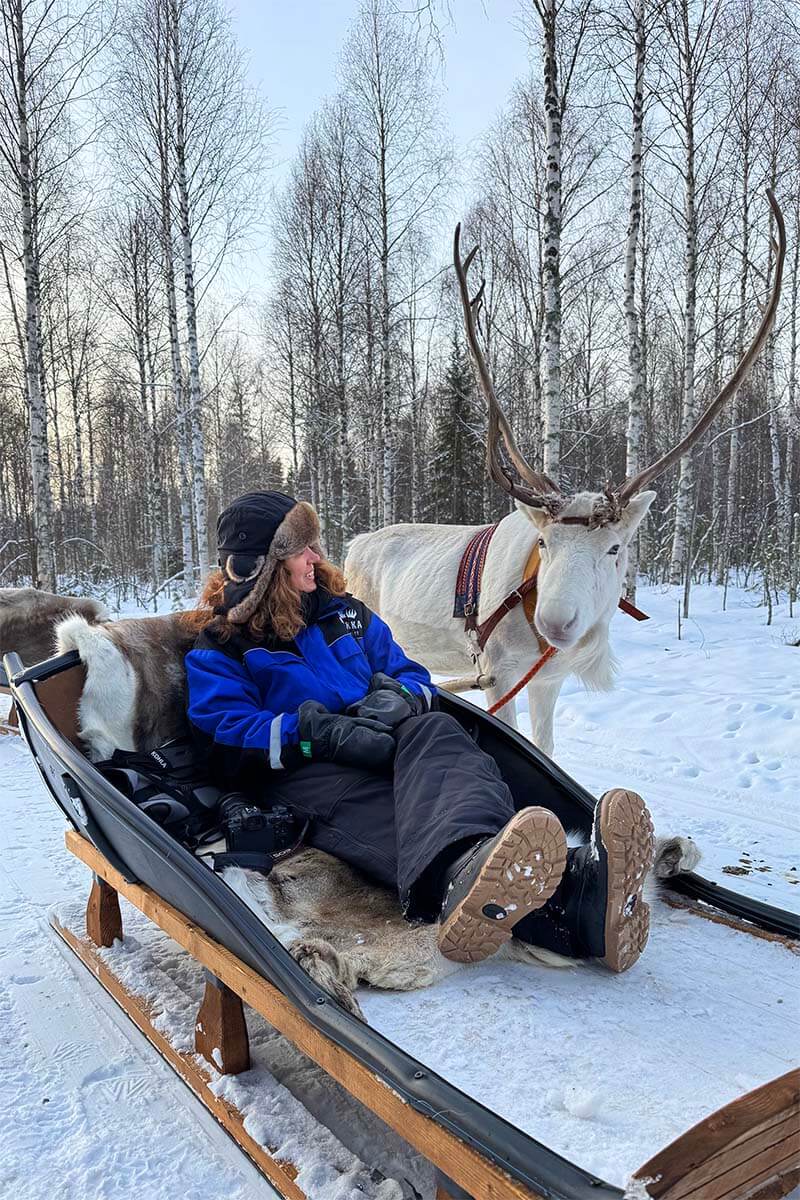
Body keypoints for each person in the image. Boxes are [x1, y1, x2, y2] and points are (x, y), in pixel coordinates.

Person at [185, 490, 654, 970]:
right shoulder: (222, 645)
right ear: (261, 566)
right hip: (309, 770)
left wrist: (399, 699)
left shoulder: (344, 614)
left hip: (387, 740)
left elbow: (411, 674)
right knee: (393, 816)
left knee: (439, 730)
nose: (317, 557)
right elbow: (223, 736)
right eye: (301, 550)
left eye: (314, 544)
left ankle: (501, 864)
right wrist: (315, 732)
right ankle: (562, 898)